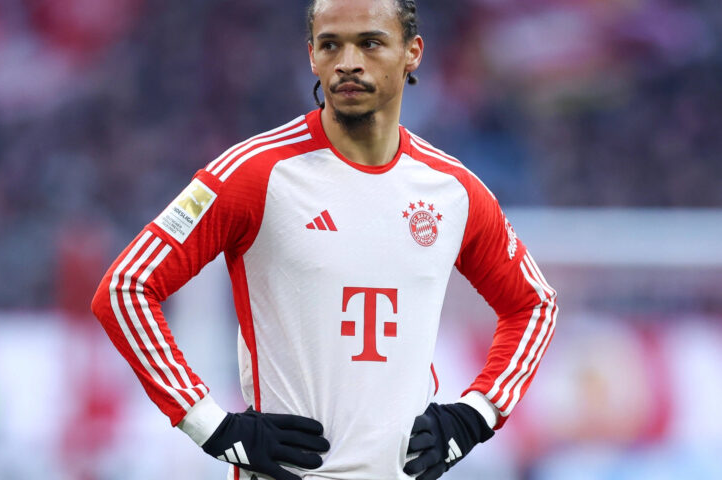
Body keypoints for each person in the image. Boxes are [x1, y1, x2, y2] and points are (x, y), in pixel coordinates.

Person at [91, 0, 558, 478]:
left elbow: (535, 305)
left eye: (370, 43)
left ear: (412, 52)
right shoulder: (253, 173)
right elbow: (126, 288)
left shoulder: (454, 191)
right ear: (312, 56)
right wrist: (210, 425)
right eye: (331, 45)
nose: (348, 62)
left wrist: (477, 413)